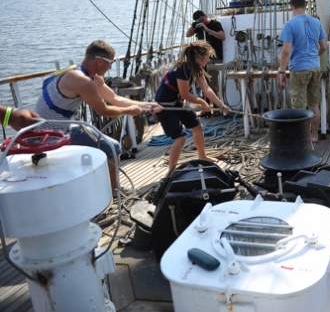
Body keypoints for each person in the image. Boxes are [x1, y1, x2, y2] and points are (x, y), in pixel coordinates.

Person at [34, 40, 163, 189]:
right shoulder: (83, 81)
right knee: (112, 148)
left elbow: (114, 98)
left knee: (98, 140)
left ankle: (106, 185)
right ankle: (114, 191)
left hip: (61, 127)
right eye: (111, 62)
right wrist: (129, 110)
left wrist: (147, 106)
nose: (111, 67)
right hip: (47, 134)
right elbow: (104, 111)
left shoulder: (84, 74)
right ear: (100, 61)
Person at [155, 41, 230, 172]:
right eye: (207, 56)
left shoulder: (196, 69)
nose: (208, 59)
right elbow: (184, 94)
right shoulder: (183, 69)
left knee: (197, 127)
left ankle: (203, 156)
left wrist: (221, 105)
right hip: (165, 106)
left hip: (177, 103)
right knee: (181, 138)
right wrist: (202, 102)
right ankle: (171, 172)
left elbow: (207, 89)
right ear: (199, 56)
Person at [278, 0, 328, 144]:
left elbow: (286, 51)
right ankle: (314, 135)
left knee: (299, 107)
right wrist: (315, 58)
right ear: (306, 6)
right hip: (314, 67)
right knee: (314, 104)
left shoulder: (290, 25)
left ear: (291, 7)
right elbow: (324, 47)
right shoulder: (316, 23)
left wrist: (281, 71)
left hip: (299, 69)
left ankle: (302, 137)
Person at [186, 10, 226, 116]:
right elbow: (188, 35)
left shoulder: (215, 24)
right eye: (198, 20)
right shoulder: (198, 27)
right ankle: (206, 109)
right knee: (203, 84)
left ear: (206, 15)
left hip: (214, 59)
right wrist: (194, 25)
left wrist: (208, 30)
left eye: (201, 18)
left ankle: (216, 109)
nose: (201, 21)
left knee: (212, 84)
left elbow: (222, 36)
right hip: (200, 60)